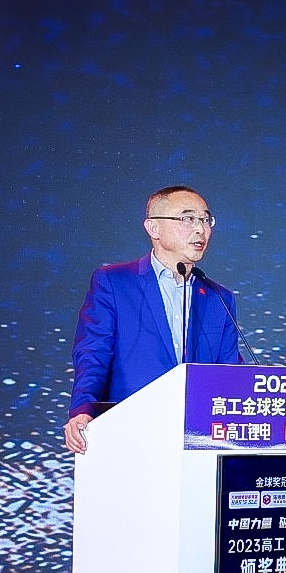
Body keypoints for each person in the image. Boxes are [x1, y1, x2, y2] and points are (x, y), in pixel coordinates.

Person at [65, 184, 242, 453]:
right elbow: (93, 353)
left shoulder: (219, 298)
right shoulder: (114, 282)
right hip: (130, 436)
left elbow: (230, 373)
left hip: (199, 441)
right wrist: (83, 410)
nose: (200, 229)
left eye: (206, 220)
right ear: (154, 228)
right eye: (188, 218)